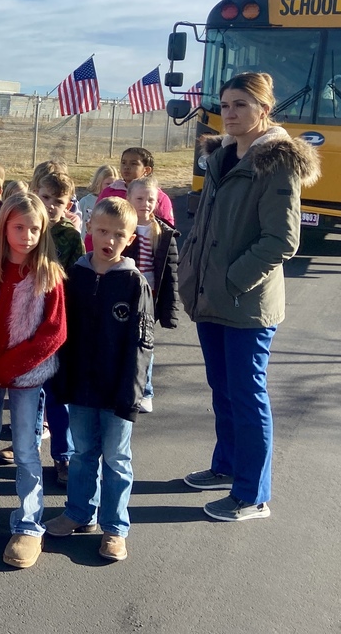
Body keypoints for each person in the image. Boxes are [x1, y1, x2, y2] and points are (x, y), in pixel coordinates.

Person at [178, 72, 319, 522]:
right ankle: (226, 467)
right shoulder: (220, 156)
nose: (230, 113)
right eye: (226, 105)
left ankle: (252, 495)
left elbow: (282, 239)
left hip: (246, 302)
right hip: (210, 296)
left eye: (240, 104)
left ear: (263, 109)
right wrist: (191, 272)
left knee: (247, 393)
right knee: (223, 389)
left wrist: (233, 280)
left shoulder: (275, 163)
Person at [0, 193, 66, 569]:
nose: (27, 235)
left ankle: (28, 523)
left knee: (25, 449)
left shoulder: (48, 275)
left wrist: (4, 370)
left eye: (35, 229)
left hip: (24, 376)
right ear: (4, 226)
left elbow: (53, 333)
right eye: (19, 227)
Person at [46, 197, 154, 562]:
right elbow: (60, 332)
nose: (109, 239)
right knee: (82, 454)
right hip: (80, 386)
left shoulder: (134, 284)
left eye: (118, 234)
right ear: (89, 227)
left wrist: (132, 394)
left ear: (129, 239)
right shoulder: (73, 275)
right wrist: (60, 380)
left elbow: (142, 345)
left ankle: (114, 527)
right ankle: (79, 512)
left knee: (117, 460)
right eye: (103, 231)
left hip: (117, 391)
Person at [33, 172, 84, 485]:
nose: (51, 206)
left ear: (68, 205)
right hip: (24, 321)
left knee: (57, 392)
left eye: (59, 202)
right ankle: (27, 444)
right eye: (46, 198)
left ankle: (63, 455)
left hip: (55, 322)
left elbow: (77, 279)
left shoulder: (69, 236)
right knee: (28, 392)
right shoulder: (25, 226)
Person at [124, 176, 180, 413]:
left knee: (145, 344)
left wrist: (170, 308)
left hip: (150, 296)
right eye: (139, 198)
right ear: (128, 199)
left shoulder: (164, 233)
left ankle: (146, 391)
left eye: (151, 199)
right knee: (124, 342)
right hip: (126, 292)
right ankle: (125, 387)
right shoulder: (122, 226)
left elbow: (171, 273)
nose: (145, 203)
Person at [78, 165, 117, 240]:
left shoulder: (116, 203)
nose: (111, 187)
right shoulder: (86, 201)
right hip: (85, 243)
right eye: (108, 184)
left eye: (114, 184)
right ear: (98, 183)